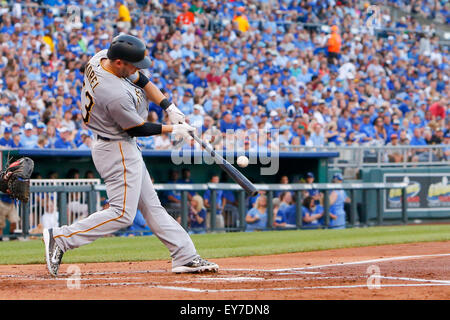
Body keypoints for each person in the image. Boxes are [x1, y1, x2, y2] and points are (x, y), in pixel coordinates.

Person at [43, 34, 218, 277]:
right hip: (116, 147)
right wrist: (173, 129)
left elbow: (142, 80)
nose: (136, 69)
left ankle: (185, 256)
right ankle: (61, 238)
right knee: (122, 214)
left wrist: (168, 106)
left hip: (119, 145)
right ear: (119, 63)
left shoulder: (101, 58)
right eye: (132, 64)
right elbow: (137, 128)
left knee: (152, 207)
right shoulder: (112, 92)